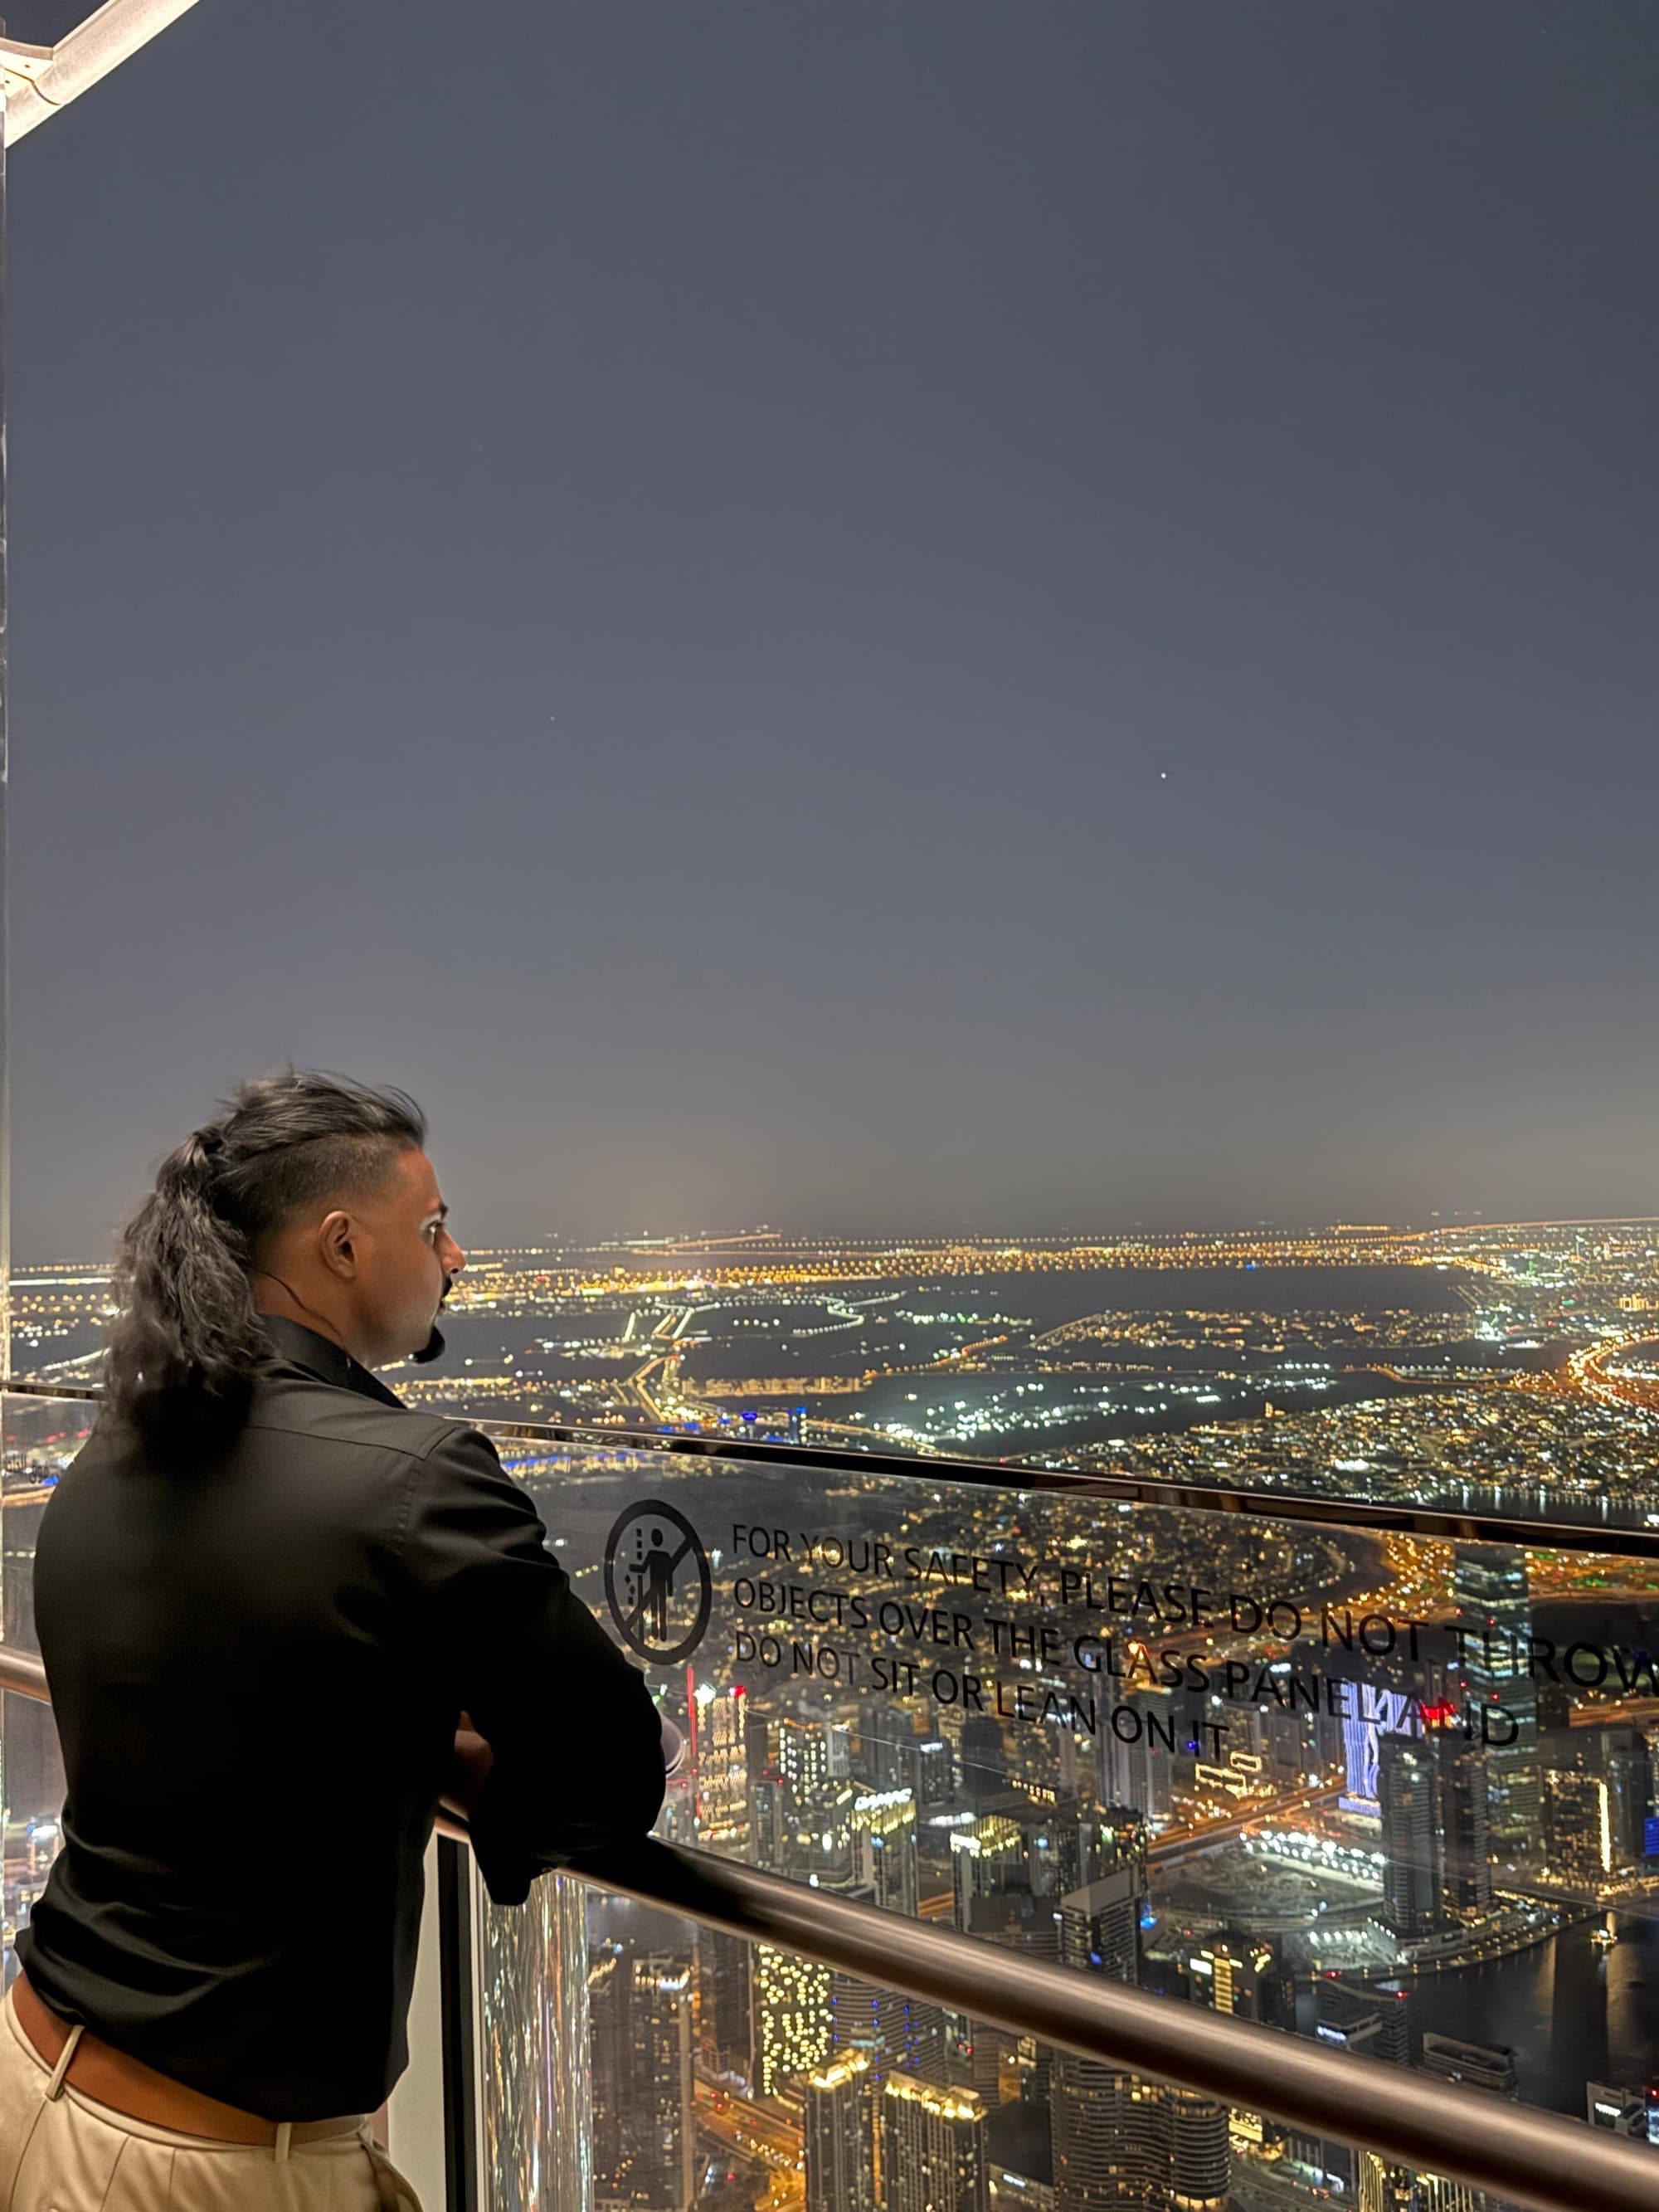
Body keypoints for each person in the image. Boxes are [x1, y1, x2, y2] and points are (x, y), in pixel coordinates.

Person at [1, 1072, 668, 2211]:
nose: (455, 1257)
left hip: (28, 2084)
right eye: (436, 1225)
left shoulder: (105, 1462)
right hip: (211, 2167)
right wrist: (449, 1761)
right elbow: (618, 1766)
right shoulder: (413, 1477)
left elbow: (206, 1723)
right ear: (344, 1244)